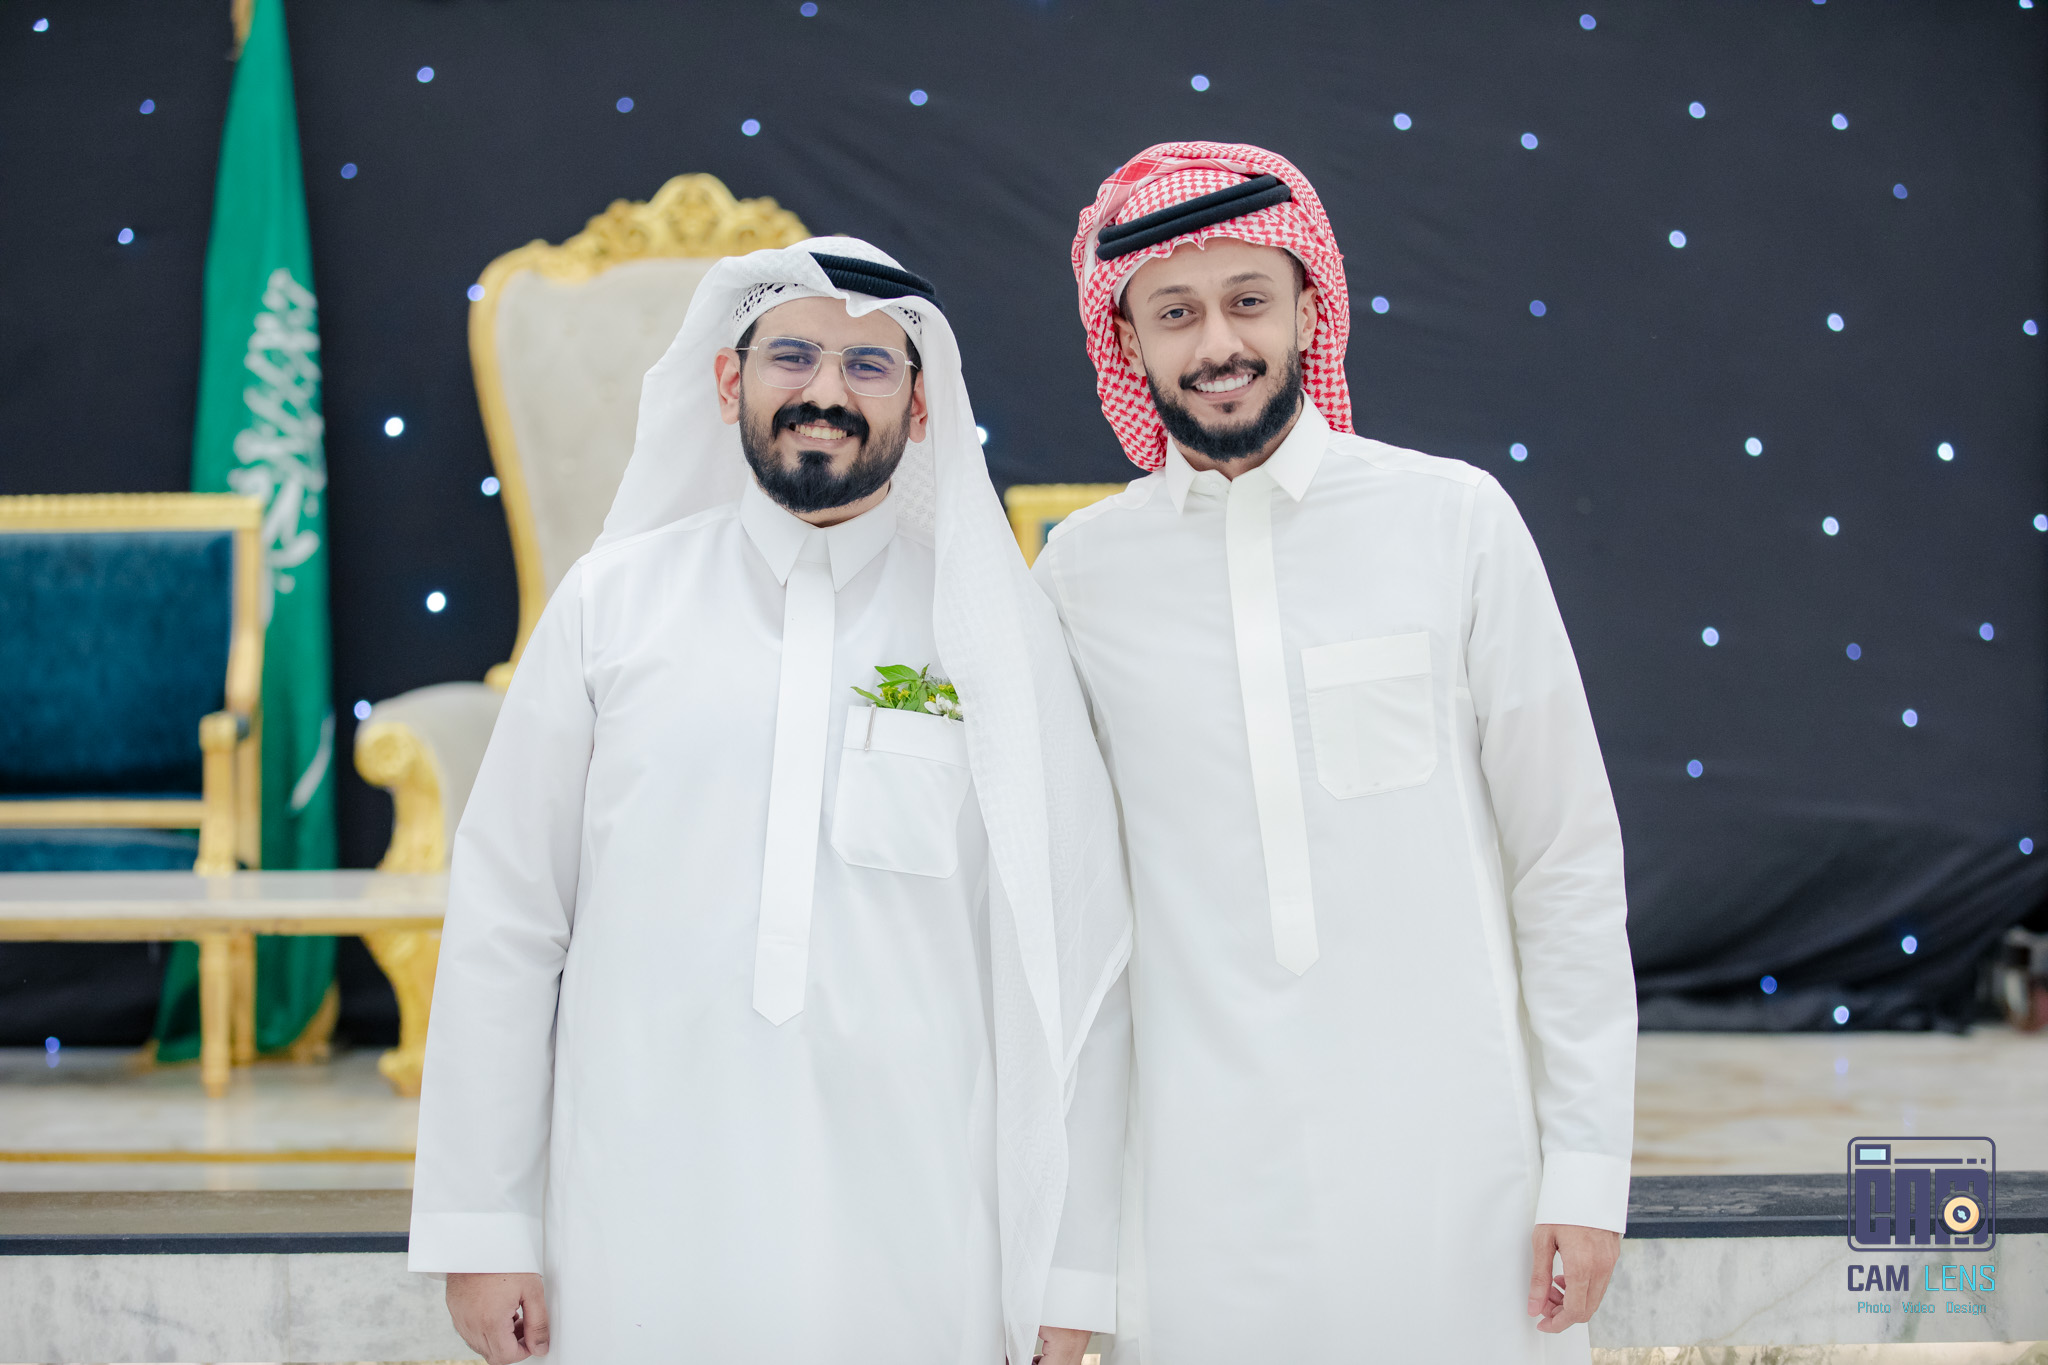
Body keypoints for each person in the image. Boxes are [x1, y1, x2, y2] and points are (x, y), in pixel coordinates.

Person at [409, 237, 1132, 1365]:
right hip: (639, 1211)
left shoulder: (995, 639)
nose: (825, 391)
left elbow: (1071, 963)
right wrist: (481, 1226)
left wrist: (1067, 1270)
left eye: (868, 365)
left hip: (920, 1228)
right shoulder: (612, 605)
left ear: (922, 406)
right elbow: (507, 920)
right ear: (726, 381)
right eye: (791, 355)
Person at [1032, 142, 1637, 1363]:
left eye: (1247, 300)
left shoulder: (1451, 521)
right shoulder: (1080, 577)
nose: (1217, 344)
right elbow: (1076, 942)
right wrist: (1074, 1263)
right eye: (1175, 313)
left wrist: (1584, 1167)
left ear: (1309, 307)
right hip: (1197, 1212)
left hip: (1456, 1187)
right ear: (1126, 342)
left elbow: (1563, 862)